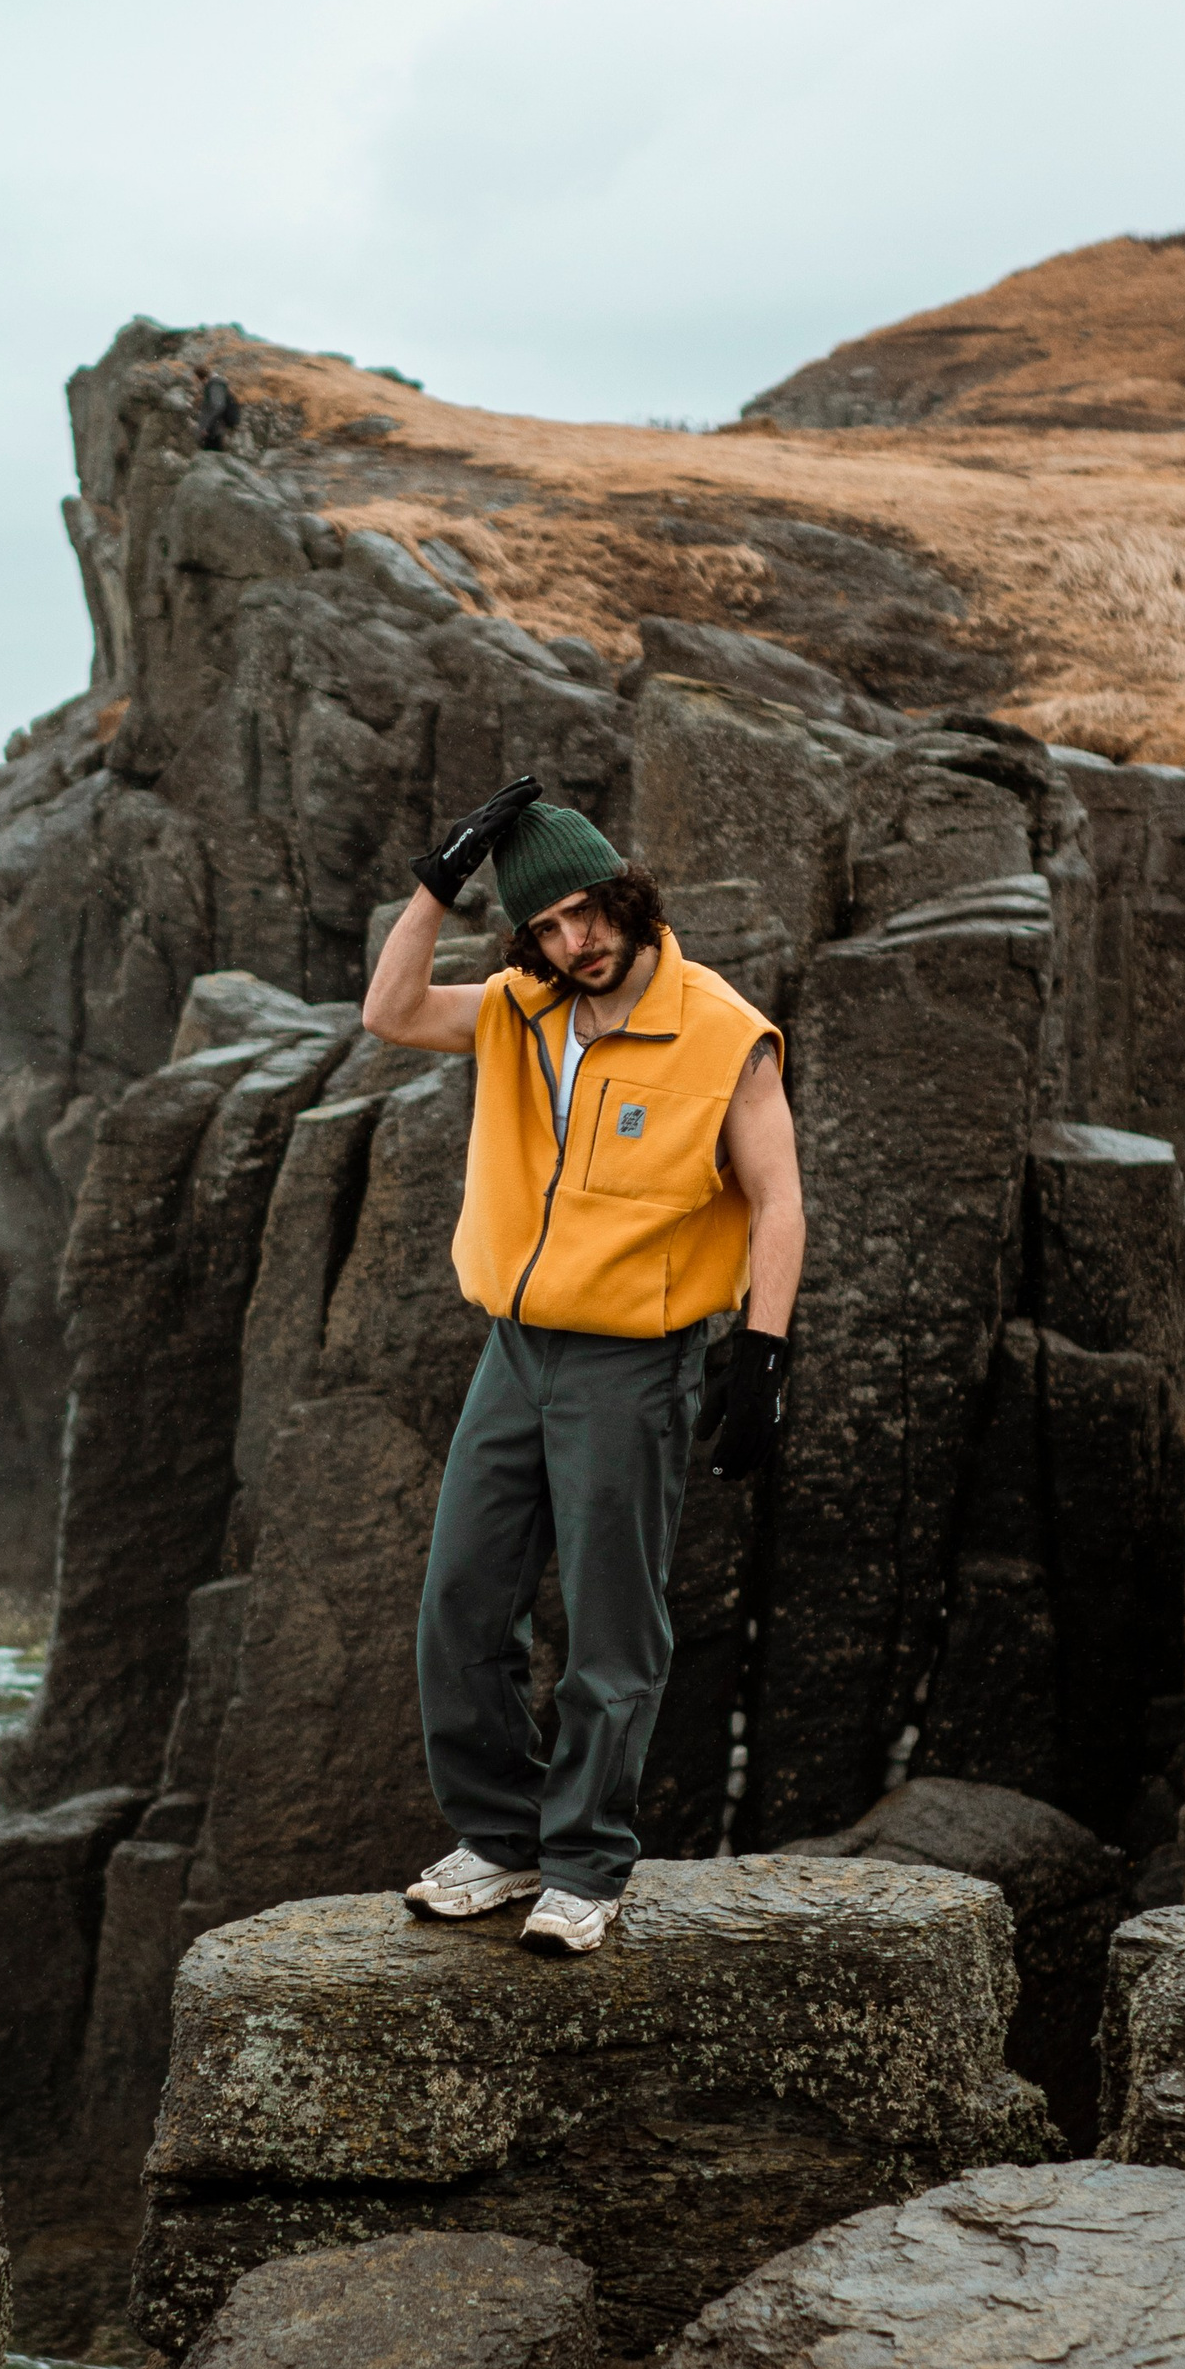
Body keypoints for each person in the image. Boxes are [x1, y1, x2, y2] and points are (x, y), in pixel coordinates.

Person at [361, 774, 805, 1956]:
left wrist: (760, 1355)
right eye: (547, 925)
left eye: (589, 912)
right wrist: (435, 878)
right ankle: (502, 1841)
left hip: (634, 1364)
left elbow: (777, 1198)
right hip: (513, 1351)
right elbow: (390, 1011)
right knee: (460, 1602)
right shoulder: (521, 1005)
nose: (575, 941)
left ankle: (585, 1865)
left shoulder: (723, 1029)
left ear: (629, 894)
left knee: (611, 1629)